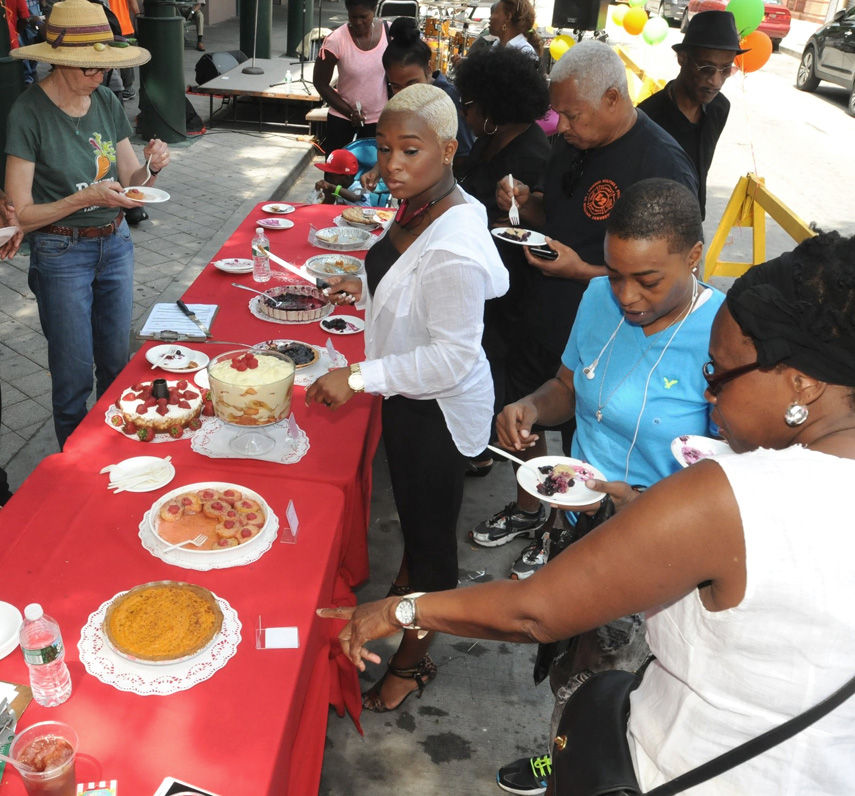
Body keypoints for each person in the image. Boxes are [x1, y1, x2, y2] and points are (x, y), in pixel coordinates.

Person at [323, 229, 855, 794]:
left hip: (687, 767)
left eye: (717, 374)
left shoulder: (726, 495)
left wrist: (398, 611)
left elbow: (534, 612)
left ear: (802, 384)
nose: (708, 396)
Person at [492, 179, 725, 795]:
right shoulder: (598, 297)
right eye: (616, 272)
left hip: (663, 549)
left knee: (624, 683)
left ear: (694, 255)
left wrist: (640, 503)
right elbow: (568, 387)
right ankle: (559, 758)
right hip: (578, 523)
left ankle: (598, 774)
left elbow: (729, 471)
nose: (626, 294)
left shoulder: (725, 337)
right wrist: (531, 408)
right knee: (569, 660)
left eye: (647, 279)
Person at [306, 83, 508, 712]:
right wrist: (362, 282)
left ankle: (413, 662)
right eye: (385, 147)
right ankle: (404, 583)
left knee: (432, 546)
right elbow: (404, 277)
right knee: (421, 526)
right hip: (409, 397)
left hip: (436, 411)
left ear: (448, 150)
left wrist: (358, 377)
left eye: (410, 151)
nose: (391, 164)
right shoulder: (426, 201)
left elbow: (451, 357)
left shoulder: (451, 246)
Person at [471, 40, 698, 562]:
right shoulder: (574, 142)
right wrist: (530, 202)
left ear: (614, 99)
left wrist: (588, 272)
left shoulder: (659, 162)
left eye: (571, 114)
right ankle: (531, 508)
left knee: (584, 434)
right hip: (546, 308)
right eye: (559, 114)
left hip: (611, 323)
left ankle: (564, 526)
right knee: (523, 411)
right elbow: (564, 208)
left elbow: (677, 271)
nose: (562, 126)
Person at [5, 0, 170, 448]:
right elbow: (22, 213)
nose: (102, 76)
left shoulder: (104, 100)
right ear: (61, 62)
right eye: (92, 68)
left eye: (104, 67)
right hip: (61, 253)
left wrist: (152, 168)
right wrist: (84, 198)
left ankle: (116, 456)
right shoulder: (28, 112)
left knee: (117, 365)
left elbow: (131, 180)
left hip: (114, 243)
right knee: (73, 376)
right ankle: (76, 473)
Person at [454, 44, 551, 475]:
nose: (465, 110)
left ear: (493, 104)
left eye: (469, 103)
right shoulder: (493, 138)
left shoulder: (530, 154)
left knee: (496, 366)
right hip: (481, 275)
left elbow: (532, 221)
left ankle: (485, 450)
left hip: (510, 285)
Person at [638, 11, 745, 218]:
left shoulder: (719, 108)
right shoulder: (647, 117)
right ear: (682, 58)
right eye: (707, 68)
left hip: (692, 221)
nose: (716, 81)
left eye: (725, 70)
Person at [313, 0, 388, 154]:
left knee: (373, 174)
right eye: (353, 17)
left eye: (363, 17)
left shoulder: (388, 32)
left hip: (379, 121)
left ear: (374, 10)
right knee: (337, 175)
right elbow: (320, 83)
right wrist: (349, 112)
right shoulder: (335, 40)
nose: (358, 22)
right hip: (342, 119)